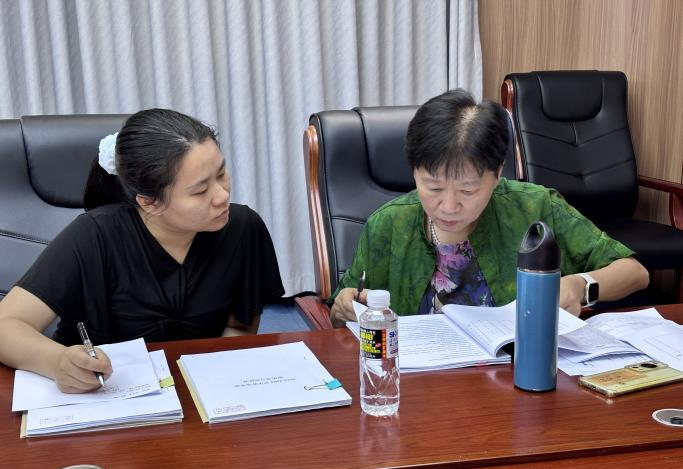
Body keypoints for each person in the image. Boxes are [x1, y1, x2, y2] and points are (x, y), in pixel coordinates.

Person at [0, 108, 284, 392]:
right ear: (148, 202)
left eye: (221, 173)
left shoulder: (242, 228)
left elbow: (240, 327)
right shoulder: (94, 235)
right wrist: (57, 362)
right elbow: (6, 325)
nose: (222, 195)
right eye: (200, 191)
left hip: (198, 395)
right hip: (103, 397)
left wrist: (213, 384)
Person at [330, 89, 649, 326]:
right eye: (433, 187)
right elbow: (338, 311)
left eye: (467, 189)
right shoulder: (388, 225)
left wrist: (580, 286)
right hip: (417, 384)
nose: (449, 206)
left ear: (497, 174)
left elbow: (635, 273)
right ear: (414, 172)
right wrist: (344, 307)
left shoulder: (534, 207)